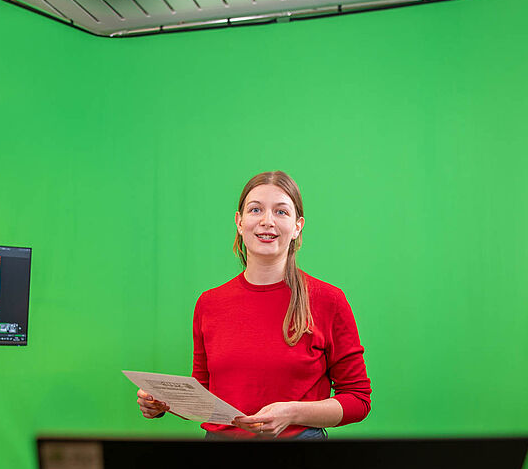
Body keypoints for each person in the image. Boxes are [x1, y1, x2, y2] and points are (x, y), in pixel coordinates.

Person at [137, 171, 370, 438]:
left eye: (281, 212)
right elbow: (204, 393)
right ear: (239, 221)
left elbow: (358, 399)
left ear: (297, 226)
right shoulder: (209, 303)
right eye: (255, 209)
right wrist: (164, 403)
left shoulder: (328, 300)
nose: (267, 221)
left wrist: (293, 413)